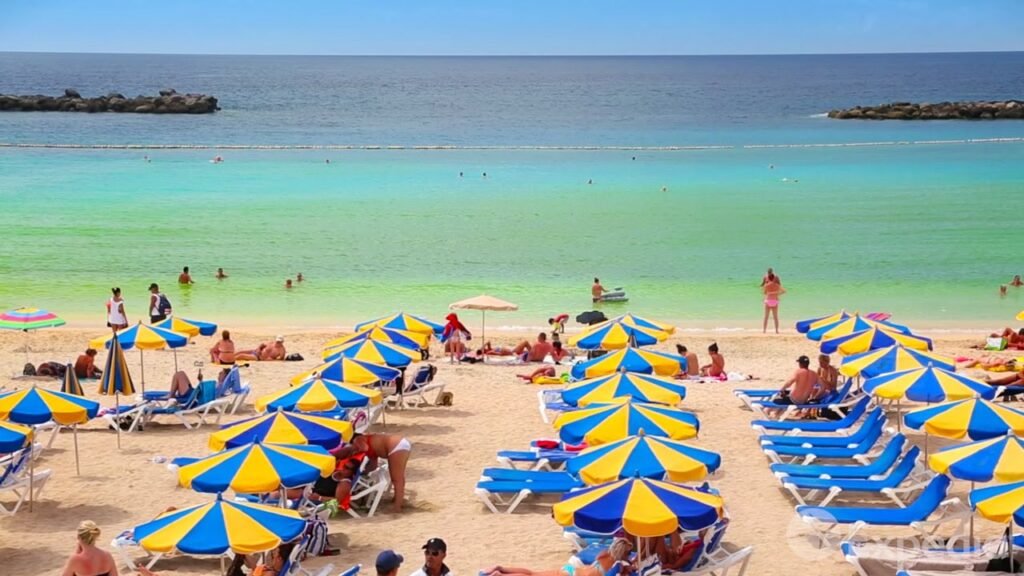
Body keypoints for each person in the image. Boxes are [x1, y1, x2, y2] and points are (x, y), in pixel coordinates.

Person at [339, 433, 412, 512]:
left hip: (395, 445)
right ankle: (398, 499)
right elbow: (373, 466)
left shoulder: (358, 439)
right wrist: (363, 471)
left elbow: (364, 448)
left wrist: (351, 453)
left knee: (397, 479)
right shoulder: (369, 443)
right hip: (398, 443)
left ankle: (397, 507)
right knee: (398, 477)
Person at [483, 538, 632, 576]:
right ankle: (499, 575)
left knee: (533, 573)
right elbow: (624, 569)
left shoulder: (604, 554)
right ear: (623, 554)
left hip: (571, 570)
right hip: (571, 575)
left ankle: (501, 569)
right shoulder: (616, 565)